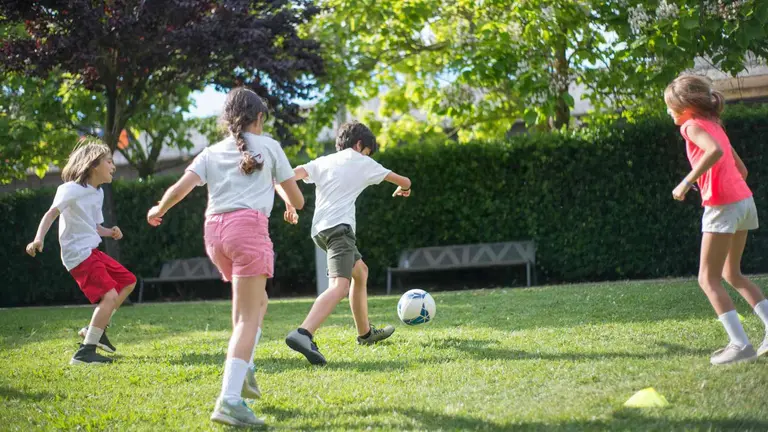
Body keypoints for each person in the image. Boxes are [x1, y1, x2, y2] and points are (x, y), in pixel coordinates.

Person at [147, 87, 304, 427]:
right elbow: (298, 199)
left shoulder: (213, 151)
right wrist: (291, 201)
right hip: (247, 231)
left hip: (215, 235)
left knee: (255, 304)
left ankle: (243, 366)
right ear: (258, 117)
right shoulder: (271, 147)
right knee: (250, 317)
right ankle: (230, 399)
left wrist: (159, 208)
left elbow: (181, 188)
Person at [283, 121, 412, 365]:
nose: (367, 157)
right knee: (339, 287)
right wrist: (402, 189)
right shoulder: (362, 161)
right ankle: (303, 333)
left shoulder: (323, 161)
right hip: (340, 230)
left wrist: (289, 203)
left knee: (360, 272)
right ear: (360, 144)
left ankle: (365, 334)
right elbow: (405, 180)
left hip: (320, 231)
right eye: (367, 152)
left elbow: (290, 176)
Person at [665, 75, 768, 365]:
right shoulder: (715, 126)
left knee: (707, 278)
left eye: (671, 106)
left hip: (723, 205)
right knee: (732, 274)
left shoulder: (691, 126)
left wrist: (686, 183)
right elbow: (742, 170)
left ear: (686, 106)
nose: (669, 112)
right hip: (744, 201)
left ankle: (740, 345)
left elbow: (714, 152)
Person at [26, 138, 136, 365]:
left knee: (128, 281)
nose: (113, 167)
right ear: (93, 165)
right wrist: (38, 239)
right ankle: (85, 353)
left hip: (91, 250)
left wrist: (110, 232)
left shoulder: (98, 193)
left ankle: (95, 329)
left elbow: (94, 226)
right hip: (78, 254)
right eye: (109, 161)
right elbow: (51, 214)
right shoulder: (69, 190)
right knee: (110, 296)